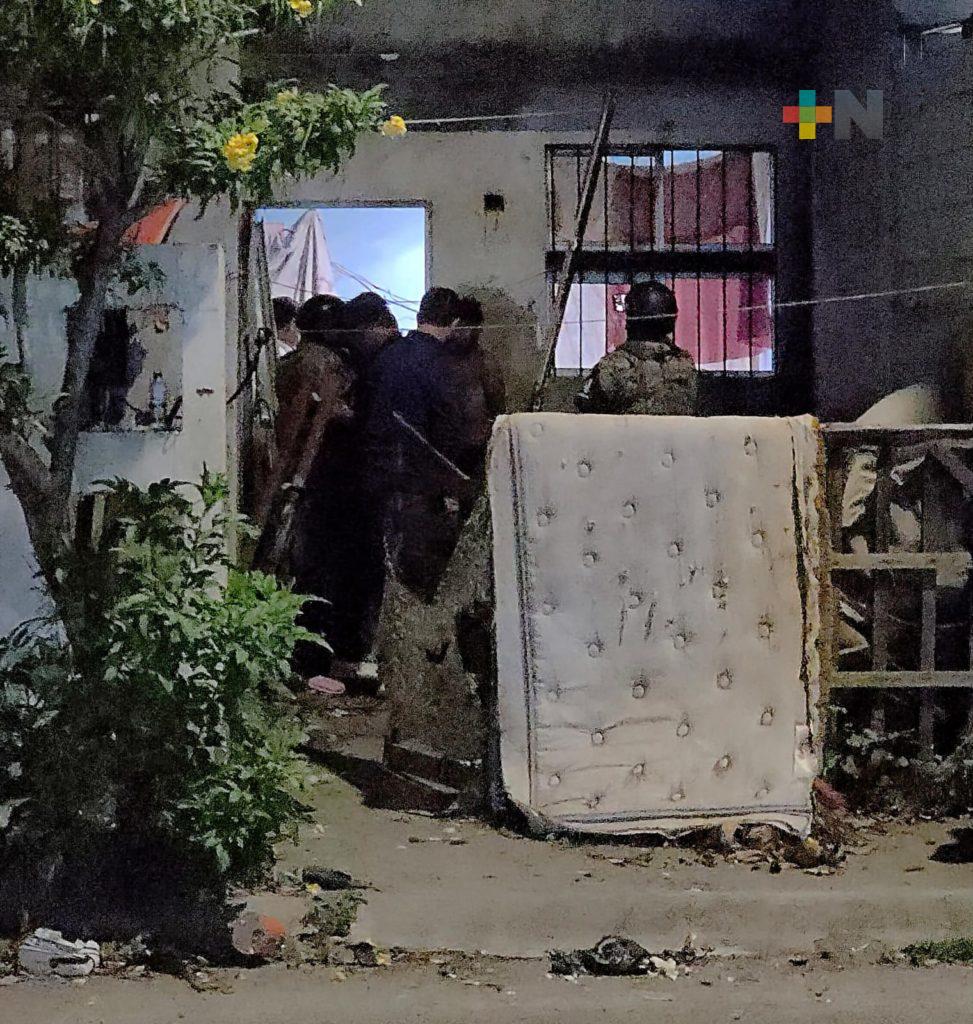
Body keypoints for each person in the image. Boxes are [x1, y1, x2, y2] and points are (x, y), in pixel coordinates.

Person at [361, 287, 476, 602]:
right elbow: (450, 429)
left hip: (376, 481)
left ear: (419, 315)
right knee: (417, 581)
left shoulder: (387, 356)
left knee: (380, 575)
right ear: (454, 323)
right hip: (419, 487)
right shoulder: (445, 365)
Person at [576, 281, 698, 416]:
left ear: (631, 322)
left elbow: (587, 410)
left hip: (624, 430)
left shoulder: (612, 366)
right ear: (670, 323)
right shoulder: (685, 365)